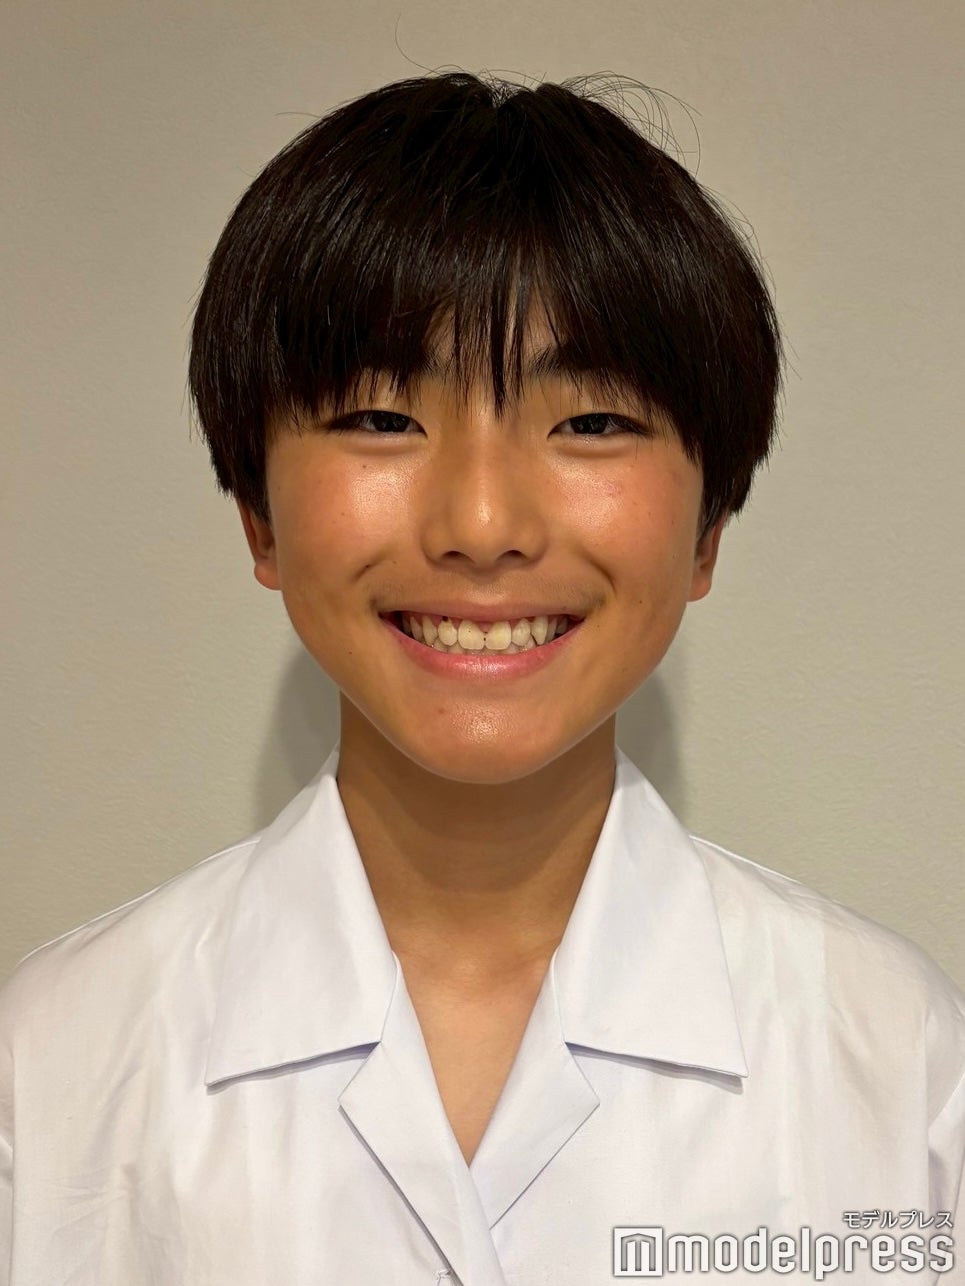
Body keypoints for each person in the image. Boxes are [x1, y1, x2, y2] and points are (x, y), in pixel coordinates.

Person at [1, 70, 962, 1286]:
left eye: (591, 422)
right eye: (380, 417)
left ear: (707, 528)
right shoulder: (55, 1059)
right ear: (257, 514)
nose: (481, 524)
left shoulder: (894, 1057)